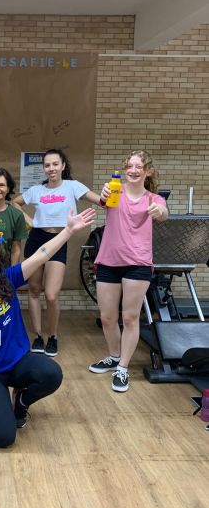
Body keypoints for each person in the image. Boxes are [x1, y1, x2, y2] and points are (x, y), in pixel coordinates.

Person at [0, 207, 96, 448]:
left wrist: (68, 231)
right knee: (4, 438)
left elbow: (41, 255)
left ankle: (20, 401)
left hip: (17, 362)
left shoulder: (8, 279)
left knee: (52, 374)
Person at [89, 150, 168, 393]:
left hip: (138, 263)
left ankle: (123, 367)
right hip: (108, 260)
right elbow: (103, 200)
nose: (133, 170)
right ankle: (114, 356)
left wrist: (159, 212)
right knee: (107, 317)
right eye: (129, 166)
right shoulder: (113, 190)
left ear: (148, 171)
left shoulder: (154, 199)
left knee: (130, 318)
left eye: (138, 166)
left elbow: (163, 213)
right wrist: (104, 193)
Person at [12, 149, 102, 357]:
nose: (51, 168)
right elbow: (15, 202)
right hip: (36, 239)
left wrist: (114, 195)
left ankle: (52, 336)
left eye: (55, 164)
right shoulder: (36, 190)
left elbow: (101, 201)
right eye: (47, 165)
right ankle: (37, 335)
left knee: (52, 295)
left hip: (59, 240)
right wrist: (30, 221)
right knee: (34, 290)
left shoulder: (73, 186)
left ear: (63, 166)